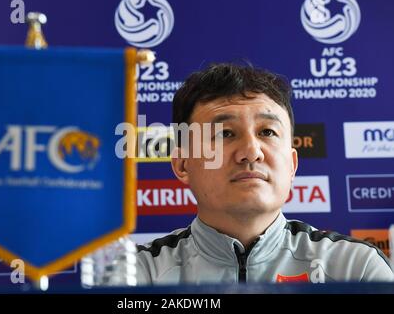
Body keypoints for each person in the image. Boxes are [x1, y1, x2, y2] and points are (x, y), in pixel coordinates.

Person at [136, 63, 394, 284]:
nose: (251, 152)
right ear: (183, 164)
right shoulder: (136, 274)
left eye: (267, 132)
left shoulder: (356, 268)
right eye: (225, 133)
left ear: (292, 165)